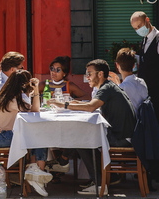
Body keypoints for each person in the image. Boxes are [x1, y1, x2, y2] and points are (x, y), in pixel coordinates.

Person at [48, 59, 136, 195]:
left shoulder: (106, 87)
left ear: (100, 74)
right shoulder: (108, 86)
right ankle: (105, 178)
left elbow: (90, 107)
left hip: (122, 138)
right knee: (82, 135)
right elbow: (91, 104)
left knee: (82, 137)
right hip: (122, 134)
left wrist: (64, 105)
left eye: (89, 73)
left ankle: (99, 183)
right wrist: (71, 103)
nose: (87, 77)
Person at [0, 70, 52, 197]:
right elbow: (35, 110)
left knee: (35, 134)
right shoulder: (14, 100)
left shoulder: (3, 95)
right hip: (2, 137)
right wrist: (35, 91)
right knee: (40, 135)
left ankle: (34, 170)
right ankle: (36, 173)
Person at [130, 11, 159, 123]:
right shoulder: (144, 41)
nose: (138, 30)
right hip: (147, 94)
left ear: (147, 20)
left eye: (139, 26)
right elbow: (147, 59)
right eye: (135, 28)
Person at [109, 48, 148, 114]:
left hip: (130, 122)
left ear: (117, 65)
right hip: (145, 121)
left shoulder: (120, 88)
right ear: (133, 66)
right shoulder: (142, 82)